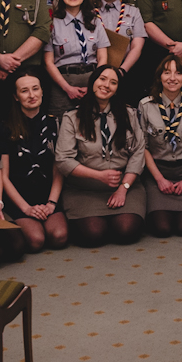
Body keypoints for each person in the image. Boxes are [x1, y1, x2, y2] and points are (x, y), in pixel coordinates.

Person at [54, 64, 147, 247]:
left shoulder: (129, 114)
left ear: (117, 88)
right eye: (102, 79)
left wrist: (123, 188)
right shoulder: (72, 118)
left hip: (125, 186)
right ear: (93, 82)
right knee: (93, 235)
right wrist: (99, 176)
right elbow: (63, 160)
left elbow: (138, 152)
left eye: (113, 82)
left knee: (126, 231)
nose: (106, 85)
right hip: (84, 189)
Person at [0, 73, 66, 252]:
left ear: (42, 92)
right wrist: (26, 208)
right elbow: (2, 176)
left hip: (47, 194)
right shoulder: (5, 127)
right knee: (36, 240)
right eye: (24, 91)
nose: (31, 95)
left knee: (59, 236)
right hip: (19, 196)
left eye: (35, 89)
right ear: (16, 96)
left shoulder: (55, 123)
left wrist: (51, 202)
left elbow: (59, 168)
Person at [138, 56, 182, 238]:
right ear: (160, 77)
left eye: (178, 73)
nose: (172, 78)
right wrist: (159, 179)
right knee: (162, 229)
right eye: (167, 72)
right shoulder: (146, 105)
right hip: (157, 172)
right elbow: (142, 147)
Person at [42, 0, 111, 113]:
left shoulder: (95, 21)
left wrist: (94, 85)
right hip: (63, 82)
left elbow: (102, 58)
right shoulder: (51, 23)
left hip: (92, 80)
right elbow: (48, 62)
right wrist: (67, 88)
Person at [94, 0, 147, 89]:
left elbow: (137, 47)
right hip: (94, 71)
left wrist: (121, 71)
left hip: (125, 72)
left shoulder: (133, 12)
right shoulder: (88, 11)